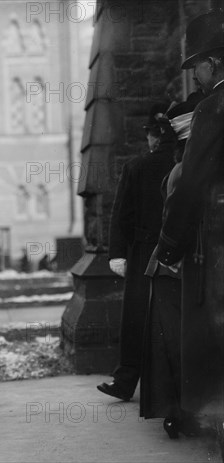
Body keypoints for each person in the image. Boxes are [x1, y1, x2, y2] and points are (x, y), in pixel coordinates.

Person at [156, 9, 224, 438]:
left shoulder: (213, 107)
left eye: (195, 67)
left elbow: (193, 182)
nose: (193, 79)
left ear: (213, 63)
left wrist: (169, 247)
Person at [97, 102, 176, 402]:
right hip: (178, 251)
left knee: (135, 318)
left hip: (144, 252)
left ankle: (126, 381)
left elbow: (121, 217)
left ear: (155, 136)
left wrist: (119, 253)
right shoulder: (185, 166)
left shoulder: (136, 167)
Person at [140, 93, 204, 438]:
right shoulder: (182, 172)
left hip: (173, 269)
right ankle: (178, 412)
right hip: (172, 269)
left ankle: (179, 411)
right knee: (176, 345)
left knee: (175, 344)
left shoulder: (182, 169)